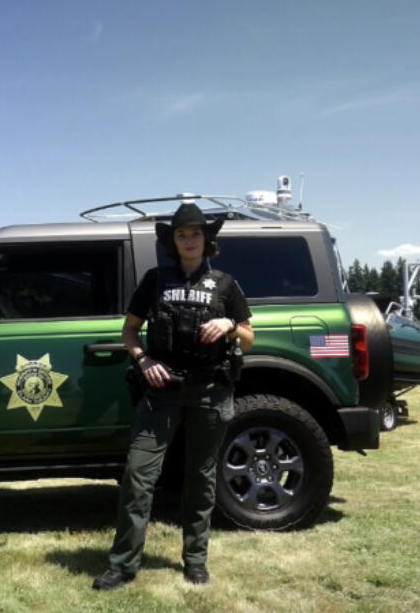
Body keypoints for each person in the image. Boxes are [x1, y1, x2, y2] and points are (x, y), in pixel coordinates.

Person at [93, 203, 254, 591]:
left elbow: (249, 339)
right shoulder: (155, 280)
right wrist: (143, 359)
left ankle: (195, 560)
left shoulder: (226, 285)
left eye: (196, 233)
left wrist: (230, 325)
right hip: (161, 393)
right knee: (137, 476)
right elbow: (129, 331)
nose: (189, 240)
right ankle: (123, 565)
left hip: (210, 393)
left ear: (206, 238)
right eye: (182, 234)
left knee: (200, 479)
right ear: (173, 241)